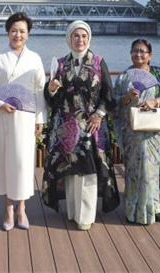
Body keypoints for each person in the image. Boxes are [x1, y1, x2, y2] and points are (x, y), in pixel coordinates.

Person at [42, 20, 120, 230]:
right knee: (71, 170)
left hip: (92, 126)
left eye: (84, 36)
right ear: (69, 38)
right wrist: (50, 89)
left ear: (89, 38)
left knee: (89, 171)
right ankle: (73, 212)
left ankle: (85, 216)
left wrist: (99, 114)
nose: (80, 40)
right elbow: (53, 99)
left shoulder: (98, 62)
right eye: (76, 36)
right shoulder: (59, 64)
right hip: (67, 126)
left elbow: (108, 93)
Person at [0, 12, 46, 231]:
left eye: (22, 31)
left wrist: (40, 119)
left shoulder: (35, 58)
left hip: (26, 118)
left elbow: (39, 92)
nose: (18, 35)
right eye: (14, 31)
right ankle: (8, 208)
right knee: (5, 161)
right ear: (8, 32)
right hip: (4, 116)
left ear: (28, 34)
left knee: (23, 162)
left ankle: (22, 208)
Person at [113, 38, 160, 224]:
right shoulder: (124, 76)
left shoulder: (157, 73)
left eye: (143, 51)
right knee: (133, 170)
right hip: (132, 130)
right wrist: (126, 97)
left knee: (152, 170)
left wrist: (153, 101)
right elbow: (114, 103)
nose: (138, 54)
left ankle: (153, 208)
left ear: (150, 55)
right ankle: (133, 209)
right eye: (135, 51)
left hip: (154, 130)